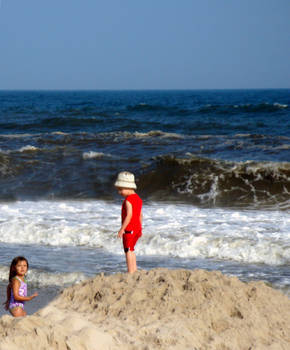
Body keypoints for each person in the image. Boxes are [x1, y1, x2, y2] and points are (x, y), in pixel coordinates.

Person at [115, 171, 143, 273]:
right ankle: (134, 269)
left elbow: (129, 215)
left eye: (120, 189)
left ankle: (131, 271)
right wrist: (140, 227)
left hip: (129, 229)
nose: (119, 192)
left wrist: (122, 229)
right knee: (132, 249)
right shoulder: (138, 199)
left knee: (128, 250)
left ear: (127, 187)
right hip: (137, 228)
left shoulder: (128, 200)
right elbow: (140, 215)